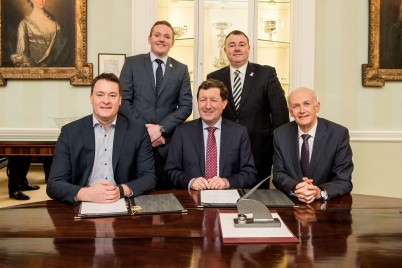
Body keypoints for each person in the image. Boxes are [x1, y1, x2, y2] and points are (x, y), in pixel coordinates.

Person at [46, 73, 156, 205]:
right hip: (83, 202)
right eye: (100, 94)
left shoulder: (138, 131)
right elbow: (54, 184)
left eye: (112, 95)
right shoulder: (70, 132)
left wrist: (120, 190)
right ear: (91, 98)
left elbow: (149, 177)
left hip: (123, 201)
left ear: (120, 99)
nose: (106, 101)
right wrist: (87, 193)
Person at [207, 30, 289, 186]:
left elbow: (280, 115)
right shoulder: (214, 77)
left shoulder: (266, 73)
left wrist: (280, 151)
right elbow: (211, 114)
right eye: (232, 45)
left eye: (241, 44)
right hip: (225, 151)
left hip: (260, 151)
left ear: (249, 48)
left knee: (258, 200)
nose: (237, 48)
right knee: (226, 198)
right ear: (225, 50)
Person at [119, 20, 192, 189]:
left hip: (165, 145)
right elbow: (123, 101)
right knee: (134, 191)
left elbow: (186, 106)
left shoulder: (181, 69)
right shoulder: (132, 64)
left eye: (167, 36)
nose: (162, 39)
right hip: (135, 140)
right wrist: (146, 130)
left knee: (164, 195)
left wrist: (160, 129)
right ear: (149, 38)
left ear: (172, 42)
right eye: (157, 35)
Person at [164, 79, 257, 190]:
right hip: (192, 199)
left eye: (213, 100)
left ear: (224, 104)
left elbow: (250, 174)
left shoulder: (239, 132)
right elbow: (170, 172)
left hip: (227, 199)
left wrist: (226, 182)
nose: (207, 106)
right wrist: (191, 182)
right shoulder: (182, 132)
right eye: (203, 100)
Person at [272, 87, 353, 203]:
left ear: (317, 107)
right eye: (296, 106)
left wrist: (318, 192)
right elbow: (278, 174)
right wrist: (296, 188)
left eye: (306, 104)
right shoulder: (280, 134)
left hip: (327, 206)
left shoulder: (338, 134)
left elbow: (343, 180)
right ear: (290, 112)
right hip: (292, 203)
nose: (301, 110)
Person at [11, 0, 71, 67]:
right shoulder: (24, 24)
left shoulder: (55, 24)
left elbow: (62, 53)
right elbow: (21, 55)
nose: (41, 1)